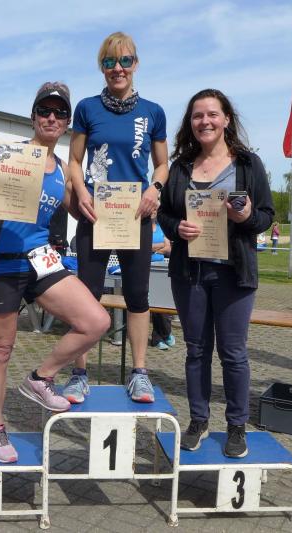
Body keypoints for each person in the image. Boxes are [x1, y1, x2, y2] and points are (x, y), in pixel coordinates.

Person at [0, 82, 110, 463]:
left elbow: (81, 209)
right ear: (33, 117)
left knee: (96, 321)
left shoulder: (63, 170)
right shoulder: (11, 155)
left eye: (59, 113)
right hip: (2, 262)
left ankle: (41, 377)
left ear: (66, 123)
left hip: (41, 261)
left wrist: (115, 207)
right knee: (0, 351)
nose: (51, 117)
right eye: (44, 111)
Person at [158, 88, 274, 458]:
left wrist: (247, 216)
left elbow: (266, 216)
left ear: (226, 119)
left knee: (233, 353)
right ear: (190, 123)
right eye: (197, 115)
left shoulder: (247, 164)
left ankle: (237, 426)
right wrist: (176, 228)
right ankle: (198, 420)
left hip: (233, 273)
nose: (204, 121)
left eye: (211, 114)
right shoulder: (181, 167)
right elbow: (164, 213)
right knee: (196, 350)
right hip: (189, 272)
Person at [66, 32, 169, 404]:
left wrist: (154, 189)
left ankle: (139, 373)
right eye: (109, 62)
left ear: (135, 64)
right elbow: (74, 160)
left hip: (135, 214)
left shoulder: (153, 112)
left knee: (138, 295)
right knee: (87, 296)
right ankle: (79, 374)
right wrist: (81, 191)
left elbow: (162, 164)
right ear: (102, 67)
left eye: (125, 61)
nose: (118, 68)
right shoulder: (87, 108)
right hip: (95, 213)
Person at [149, 216, 174, 350]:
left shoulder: (161, 228)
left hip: (160, 268)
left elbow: (168, 248)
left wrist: (153, 249)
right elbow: (143, 246)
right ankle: (161, 336)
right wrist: (160, 247)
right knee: (155, 303)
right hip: (147, 268)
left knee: (163, 303)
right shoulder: (143, 229)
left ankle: (162, 335)